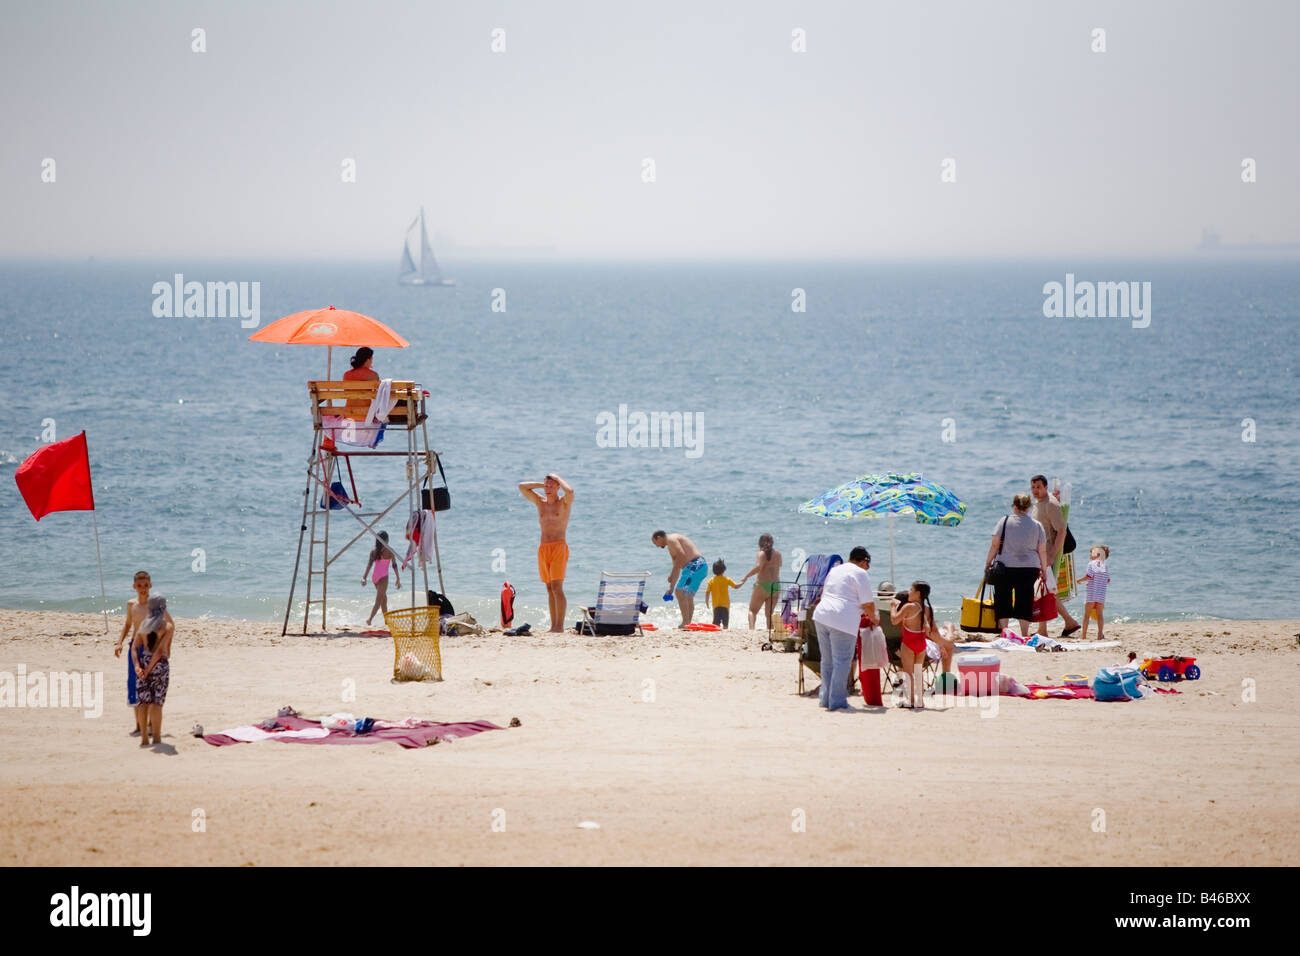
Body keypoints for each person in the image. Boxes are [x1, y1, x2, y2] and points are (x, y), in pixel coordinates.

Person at [811, 546, 877, 711]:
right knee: (841, 662)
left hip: (822, 615)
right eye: (867, 565)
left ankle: (825, 699)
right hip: (842, 619)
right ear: (864, 561)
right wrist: (875, 618)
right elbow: (867, 603)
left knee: (827, 661)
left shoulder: (835, 570)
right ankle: (838, 701)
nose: (867, 569)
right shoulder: (860, 573)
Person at [984, 493, 1049, 634]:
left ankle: (1005, 631)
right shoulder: (1037, 525)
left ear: (1014, 506)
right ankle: (1024, 633)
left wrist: (988, 562)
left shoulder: (1004, 521)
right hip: (1030, 568)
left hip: (1004, 566)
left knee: (1003, 598)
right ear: (1029, 507)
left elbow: (995, 545)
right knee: (1025, 599)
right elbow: (1042, 550)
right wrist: (1044, 569)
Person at [115, 570, 169, 737]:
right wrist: (119, 642)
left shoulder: (155, 605)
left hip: (151, 648)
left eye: (146, 585)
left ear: (150, 585)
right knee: (134, 683)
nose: (143, 588)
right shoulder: (132, 604)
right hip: (134, 648)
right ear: (134, 587)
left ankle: (152, 725)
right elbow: (128, 624)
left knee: (151, 683)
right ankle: (139, 725)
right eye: (139, 586)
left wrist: (165, 647)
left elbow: (167, 624)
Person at [519, 474, 574, 633]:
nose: (548, 489)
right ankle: (553, 626)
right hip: (543, 548)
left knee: (557, 587)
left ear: (558, 487)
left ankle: (560, 626)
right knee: (549, 588)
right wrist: (542, 485)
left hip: (558, 547)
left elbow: (570, 491)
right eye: (546, 486)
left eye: (552, 486)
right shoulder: (540, 502)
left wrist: (557, 478)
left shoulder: (563, 503)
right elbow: (522, 486)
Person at [1030, 475, 1081, 637]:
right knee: (1046, 590)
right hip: (1039, 554)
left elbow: (1061, 531)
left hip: (1047, 554)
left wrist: (1051, 555)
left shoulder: (1051, 504)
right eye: (1033, 487)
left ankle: (1050, 628)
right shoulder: (1039, 504)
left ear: (1045, 487)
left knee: (1045, 591)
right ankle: (1066, 623)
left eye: (1038, 487)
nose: (1035, 491)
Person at [891, 581, 941, 709]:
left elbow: (894, 620)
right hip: (921, 644)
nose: (909, 592)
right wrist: (941, 645)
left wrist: (893, 606)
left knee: (909, 673)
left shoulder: (909, 607)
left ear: (918, 593)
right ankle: (920, 701)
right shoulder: (927, 609)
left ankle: (911, 700)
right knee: (919, 673)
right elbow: (933, 631)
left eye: (911, 589)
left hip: (909, 643)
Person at [132, 595, 173, 746]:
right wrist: (149, 669)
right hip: (159, 666)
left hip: (143, 662)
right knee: (157, 703)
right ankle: (156, 737)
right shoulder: (166, 627)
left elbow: (134, 648)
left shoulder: (143, 625)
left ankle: (144, 737)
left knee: (143, 702)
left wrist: (138, 666)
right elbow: (160, 651)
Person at [651, 531, 706, 627]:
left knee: (680, 592)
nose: (656, 546)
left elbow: (681, 555)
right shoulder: (671, 546)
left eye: (655, 543)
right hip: (699, 566)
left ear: (659, 538)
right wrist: (671, 588)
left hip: (695, 565)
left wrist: (673, 572)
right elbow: (677, 567)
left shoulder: (671, 539)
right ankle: (688, 623)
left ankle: (685, 622)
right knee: (687, 595)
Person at [738, 533, 783, 630]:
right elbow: (778, 566)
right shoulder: (778, 554)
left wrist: (746, 577)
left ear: (760, 543)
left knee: (752, 611)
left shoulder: (761, 554)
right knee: (769, 614)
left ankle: (752, 631)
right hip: (775, 586)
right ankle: (769, 632)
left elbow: (759, 567)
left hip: (762, 585)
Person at [362, 531, 401, 626]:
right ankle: (370, 619)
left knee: (384, 599)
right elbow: (394, 565)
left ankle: (386, 621)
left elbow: (369, 565)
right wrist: (398, 578)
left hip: (374, 578)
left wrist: (364, 577)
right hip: (383, 577)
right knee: (379, 600)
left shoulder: (374, 551)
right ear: (386, 540)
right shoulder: (390, 551)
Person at [1077, 545, 1111, 640]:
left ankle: (1084, 635)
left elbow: (1089, 576)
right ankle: (1100, 634)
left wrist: (1079, 580)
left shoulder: (1091, 564)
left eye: (1091, 553)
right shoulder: (1105, 566)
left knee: (1086, 615)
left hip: (1091, 594)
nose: (1089, 555)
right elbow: (1108, 580)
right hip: (1101, 595)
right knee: (1100, 615)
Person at [704, 559, 740, 628]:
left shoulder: (711, 581)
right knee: (725, 624)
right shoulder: (727, 579)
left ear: (713, 570)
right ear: (724, 570)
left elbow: (707, 592)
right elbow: (736, 586)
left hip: (716, 605)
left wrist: (707, 602)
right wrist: (743, 582)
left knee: (716, 624)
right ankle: (725, 631)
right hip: (725, 605)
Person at [343, 347, 379, 414]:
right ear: (368, 360)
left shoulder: (346, 375)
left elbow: (346, 392)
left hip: (349, 414)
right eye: (371, 359)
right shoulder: (373, 375)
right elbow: (378, 395)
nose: (372, 361)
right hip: (366, 416)